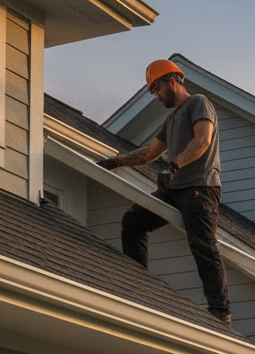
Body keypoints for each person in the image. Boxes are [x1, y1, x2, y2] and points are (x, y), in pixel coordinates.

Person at [98, 59, 232, 325]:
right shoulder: (170, 120)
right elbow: (149, 153)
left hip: (200, 188)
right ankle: (140, 288)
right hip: (176, 187)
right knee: (133, 222)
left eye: (157, 89)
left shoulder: (198, 103)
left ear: (172, 81)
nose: (156, 96)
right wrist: (116, 161)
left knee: (202, 244)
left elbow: (203, 139)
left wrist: (176, 163)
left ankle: (221, 311)